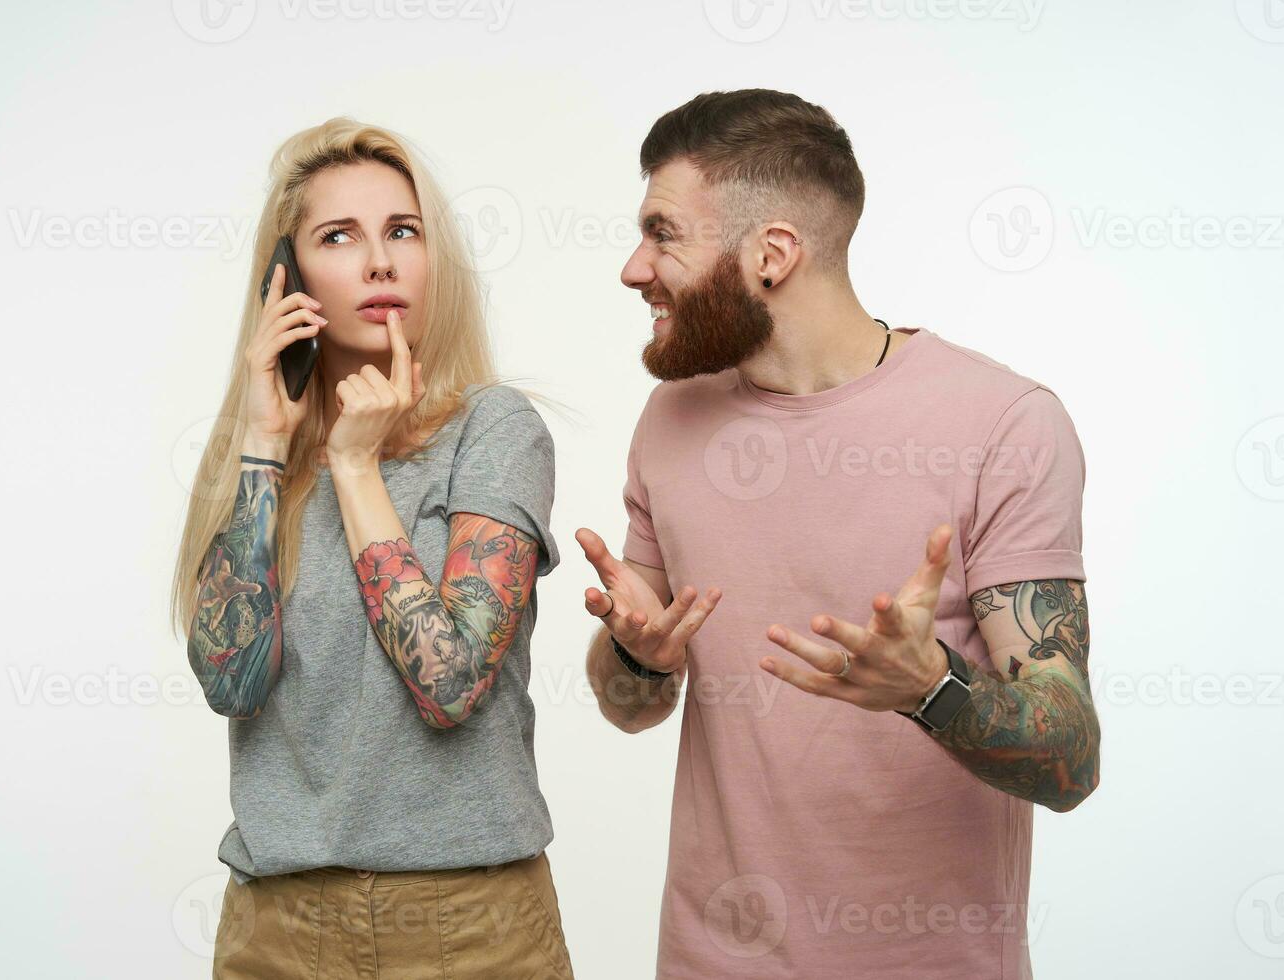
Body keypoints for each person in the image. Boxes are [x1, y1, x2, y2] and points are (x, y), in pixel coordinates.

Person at [577, 89, 1100, 979]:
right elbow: (632, 709)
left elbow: (1071, 759)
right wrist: (638, 659)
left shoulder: (1005, 422)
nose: (634, 267)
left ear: (772, 253)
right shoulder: (671, 418)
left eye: (664, 233)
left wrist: (931, 686)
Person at [171, 118, 574, 979]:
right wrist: (262, 446)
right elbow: (229, 681)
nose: (380, 261)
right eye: (338, 237)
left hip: (470, 925)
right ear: (289, 278)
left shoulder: (495, 430)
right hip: (277, 925)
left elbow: (450, 681)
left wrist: (355, 466)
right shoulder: (256, 456)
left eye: (403, 231)